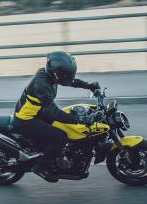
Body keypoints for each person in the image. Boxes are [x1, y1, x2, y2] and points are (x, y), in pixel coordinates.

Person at [13, 51, 99, 183]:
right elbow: (53, 112)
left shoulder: (51, 76)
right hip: (26, 119)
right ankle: (41, 167)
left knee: (67, 122)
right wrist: (78, 120)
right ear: (57, 73)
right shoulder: (42, 85)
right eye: (67, 74)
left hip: (39, 112)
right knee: (60, 136)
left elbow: (71, 82)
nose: (69, 77)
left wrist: (89, 86)